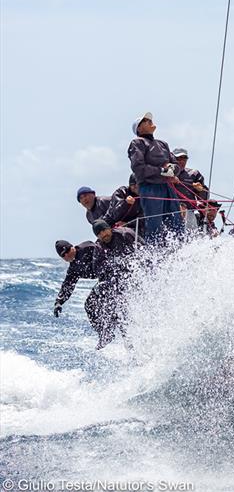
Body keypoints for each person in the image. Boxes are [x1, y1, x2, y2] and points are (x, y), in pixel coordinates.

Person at [128, 112, 184, 244]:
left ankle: (180, 248)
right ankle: (155, 255)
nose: (149, 121)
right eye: (145, 120)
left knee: (176, 220)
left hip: (167, 187)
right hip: (150, 188)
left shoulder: (163, 144)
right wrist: (162, 171)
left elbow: (176, 165)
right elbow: (138, 168)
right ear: (139, 129)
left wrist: (171, 171)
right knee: (155, 224)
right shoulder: (137, 142)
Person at [88, 220, 138, 349]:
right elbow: (97, 268)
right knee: (111, 305)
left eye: (104, 230)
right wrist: (112, 265)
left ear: (109, 228)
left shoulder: (125, 234)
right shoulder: (99, 247)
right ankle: (112, 336)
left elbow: (142, 251)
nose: (103, 234)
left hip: (136, 274)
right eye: (99, 233)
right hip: (117, 281)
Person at [53, 239, 98, 318]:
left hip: (114, 274)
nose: (66, 255)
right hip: (104, 280)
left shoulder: (87, 247)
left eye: (67, 251)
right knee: (90, 306)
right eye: (63, 255)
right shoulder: (74, 268)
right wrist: (59, 302)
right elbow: (68, 285)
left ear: (72, 247)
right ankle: (108, 329)